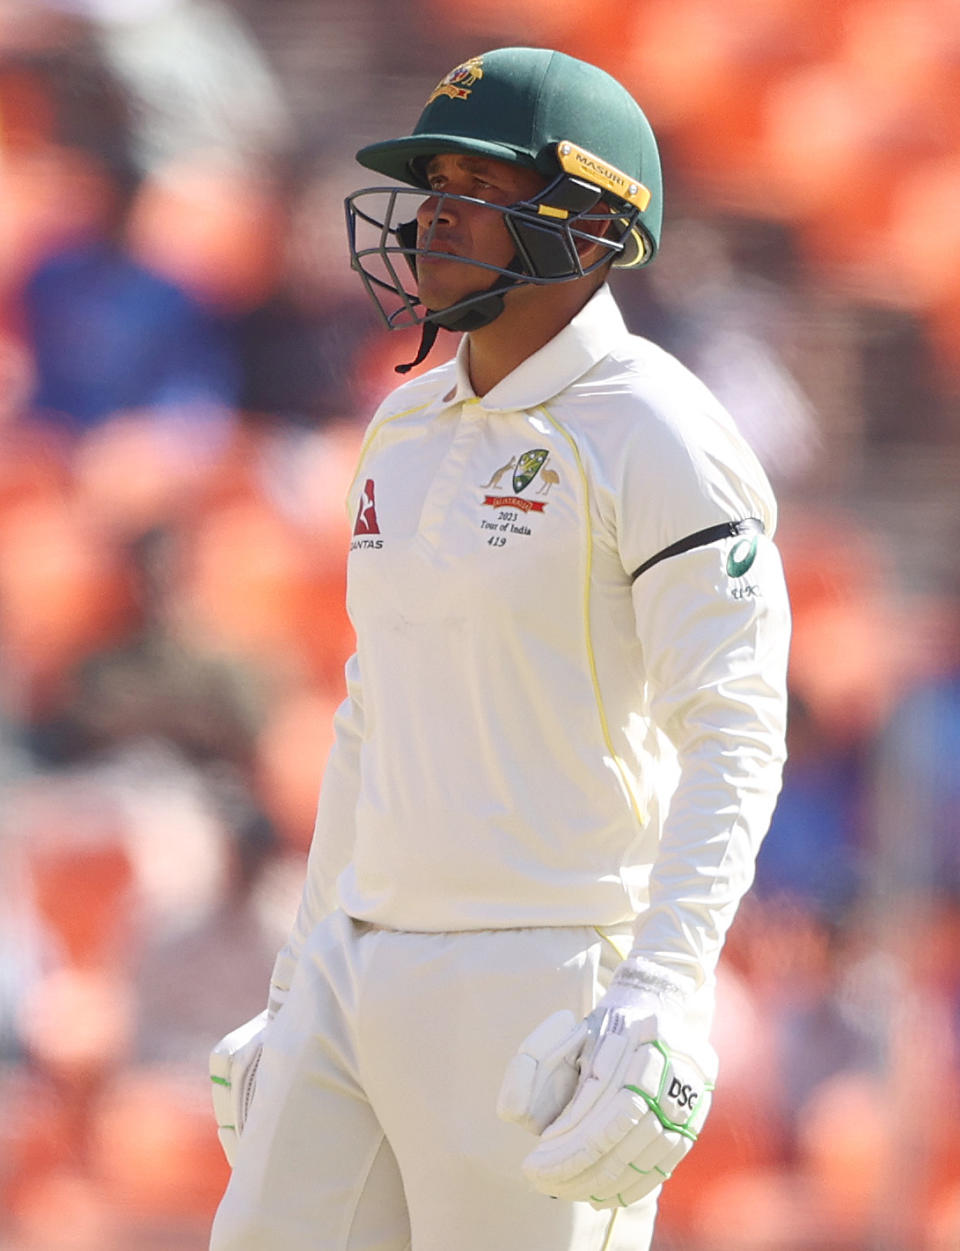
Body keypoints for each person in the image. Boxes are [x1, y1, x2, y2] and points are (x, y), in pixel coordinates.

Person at [207, 46, 791, 1251]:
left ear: (588, 227)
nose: (432, 219)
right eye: (433, 184)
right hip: (356, 960)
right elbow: (375, 715)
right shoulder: (404, 421)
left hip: (546, 973)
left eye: (479, 184)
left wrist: (665, 988)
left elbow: (734, 725)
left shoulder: (658, 429)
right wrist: (298, 981)